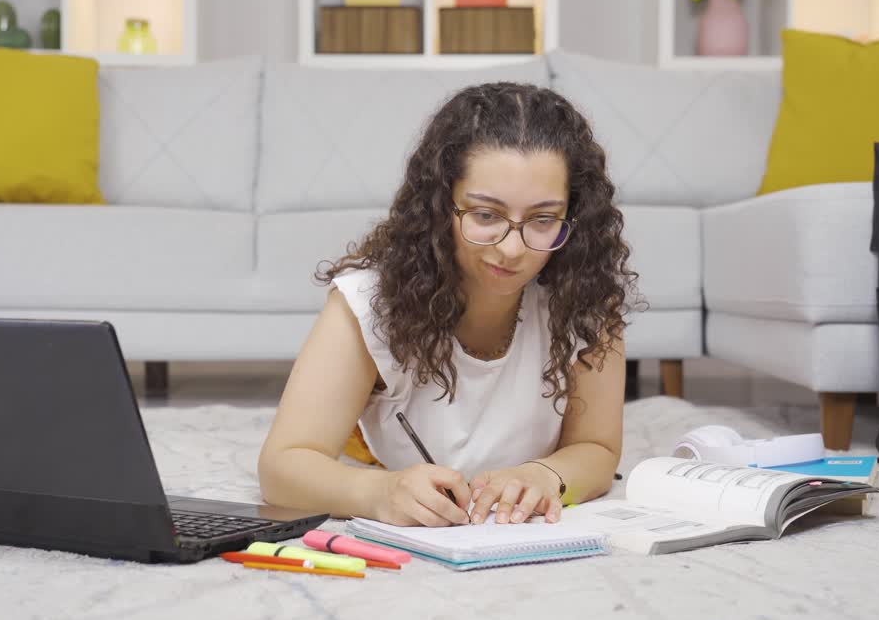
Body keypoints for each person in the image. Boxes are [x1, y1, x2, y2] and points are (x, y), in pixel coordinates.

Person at [258, 81, 640, 527]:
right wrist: (380, 493)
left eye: (542, 220)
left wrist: (545, 474)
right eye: (485, 215)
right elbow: (282, 466)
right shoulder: (366, 303)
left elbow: (597, 448)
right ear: (442, 205)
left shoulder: (586, 301)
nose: (512, 249)